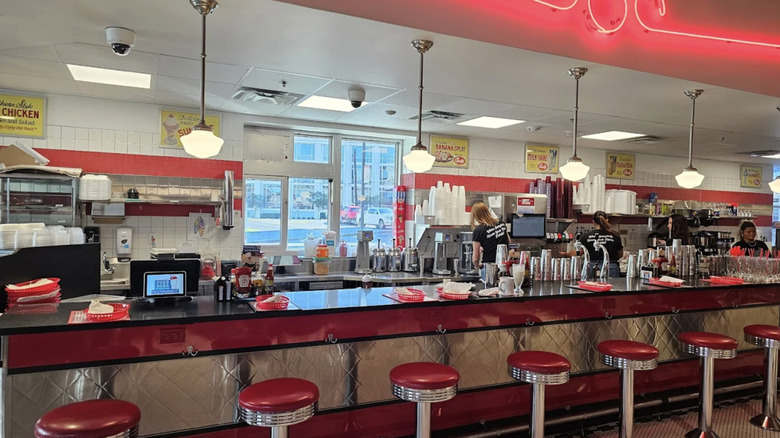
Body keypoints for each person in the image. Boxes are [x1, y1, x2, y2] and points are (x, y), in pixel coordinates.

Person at [579, 211, 623, 277]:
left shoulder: (586, 236)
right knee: (611, 287)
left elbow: (579, 253)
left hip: (592, 267)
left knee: (591, 287)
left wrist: (565, 254)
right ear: (607, 220)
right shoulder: (615, 235)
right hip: (611, 267)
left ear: (593, 222)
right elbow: (620, 254)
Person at [470, 202, 510, 267]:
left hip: (489, 266)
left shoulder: (478, 231)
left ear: (475, 215)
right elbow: (508, 241)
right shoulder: (501, 223)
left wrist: (477, 265)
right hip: (504, 264)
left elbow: (475, 258)